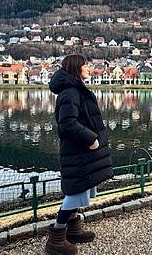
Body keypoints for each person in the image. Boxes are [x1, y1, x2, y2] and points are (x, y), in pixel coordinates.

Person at [46, 54, 113, 255]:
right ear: (77, 67)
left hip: (81, 150)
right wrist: (91, 139)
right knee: (75, 193)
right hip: (78, 150)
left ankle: (73, 230)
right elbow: (67, 124)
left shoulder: (74, 89)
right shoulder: (70, 92)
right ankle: (56, 239)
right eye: (86, 65)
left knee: (81, 187)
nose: (89, 68)